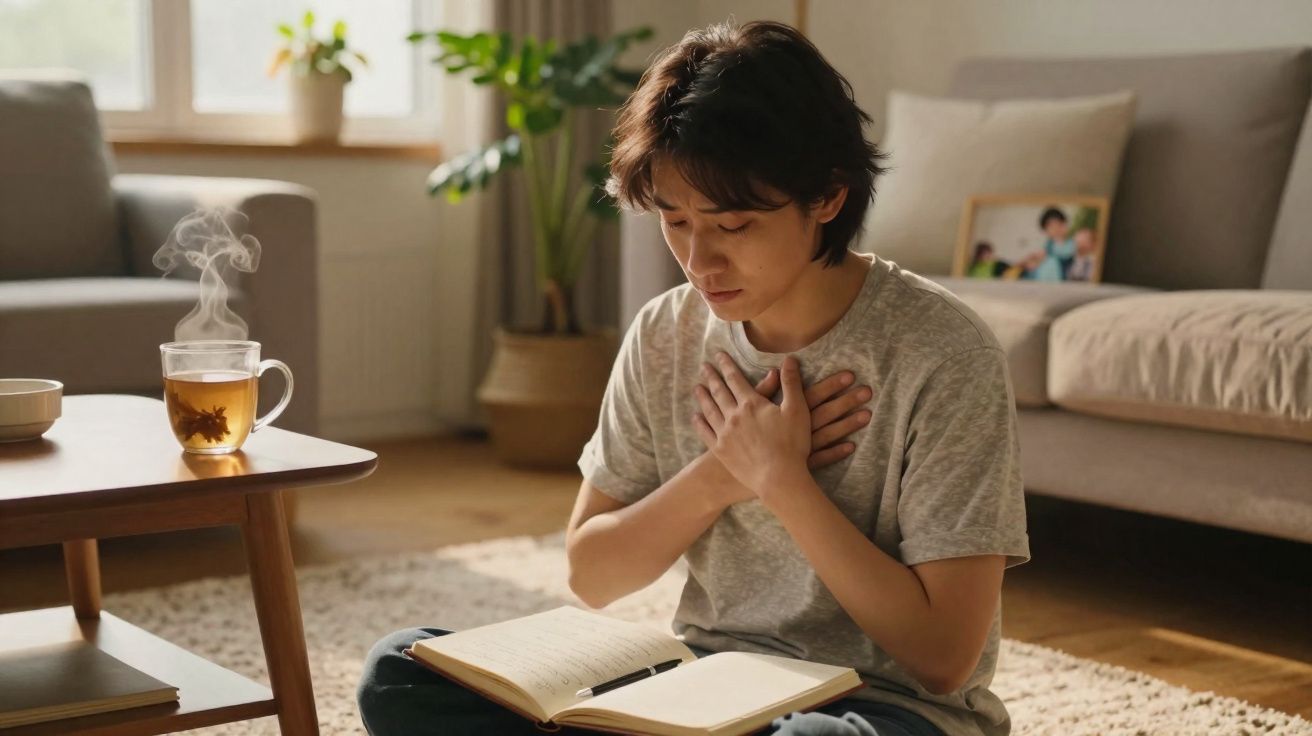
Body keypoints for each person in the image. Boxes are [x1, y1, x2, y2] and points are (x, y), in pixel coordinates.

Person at [357, 20, 1029, 736]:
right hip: (702, 684)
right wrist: (722, 474)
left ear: (828, 197)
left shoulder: (942, 352)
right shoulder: (666, 333)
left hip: (882, 707)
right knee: (402, 670)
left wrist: (785, 484)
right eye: (675, 221)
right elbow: (592, 574)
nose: (700, 262)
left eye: (734, 227)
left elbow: (944, 659)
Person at [1030, 207, 1075, 282]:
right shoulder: (1049, 244)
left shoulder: (1071, 243)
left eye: (1058, 225)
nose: (1055, 229)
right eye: (1051, 227)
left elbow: (1066, 253)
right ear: (1046, 231)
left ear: (1065, 225)